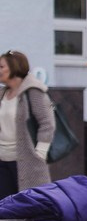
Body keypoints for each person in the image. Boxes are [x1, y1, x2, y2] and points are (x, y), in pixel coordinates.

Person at [0, 50, 53, 197]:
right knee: (4, 208)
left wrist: (40, 153)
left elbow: (47, 123)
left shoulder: (34, 91)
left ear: (14, 67)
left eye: (1, 66)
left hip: (26, 161)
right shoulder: (3, 93)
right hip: (3, 160)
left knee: (29, 205)